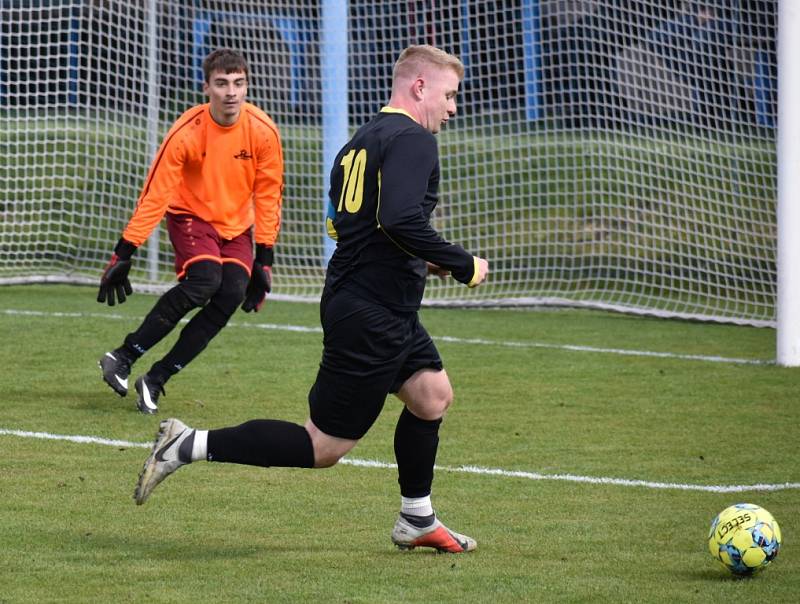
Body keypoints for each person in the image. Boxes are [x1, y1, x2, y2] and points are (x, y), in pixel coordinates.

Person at [133, 44, 490, 554]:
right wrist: (461, 263)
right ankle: (187, 444)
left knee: (432, 395)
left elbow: (342, 224)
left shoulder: (359, 142)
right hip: (372, 312)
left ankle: (417, 517)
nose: (453, 107)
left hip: (375, 302)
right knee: (323, 447)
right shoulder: (413, 140)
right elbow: (400, 220)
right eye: (450, 95)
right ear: (419, 87)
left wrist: (417, 260)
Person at [96, 49, 284, 414]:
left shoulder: (263, 132)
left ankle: (156, 378)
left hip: (237, 226)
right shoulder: (186, 131)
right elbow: (156, 194)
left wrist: (265, 260)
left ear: (247, 86)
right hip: (190, 215)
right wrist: (125, 251)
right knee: (204, 281)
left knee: (230, 293)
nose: (231, 92)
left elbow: (268, 196)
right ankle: (122, 356)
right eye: (222, 83)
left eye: (238, 83)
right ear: (206, 88)